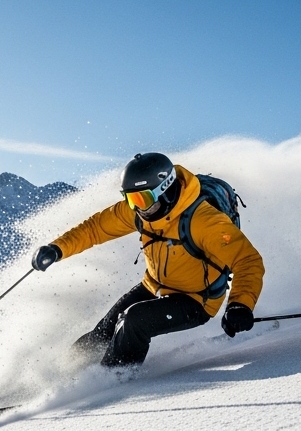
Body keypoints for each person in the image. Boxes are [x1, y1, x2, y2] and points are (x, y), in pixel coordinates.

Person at [31, 152, 265, 368]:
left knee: (134, 321)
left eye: (142, 200)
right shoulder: (141, 212)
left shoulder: (204, 221)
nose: (136, 208)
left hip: (195, 300)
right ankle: (63, 372)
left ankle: (110, 379)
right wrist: (57, 248)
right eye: (130, 200)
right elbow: (95, 229)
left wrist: (240, 304)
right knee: (104, 330)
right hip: (154, 286)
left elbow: (247, 260)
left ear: (165, 189)